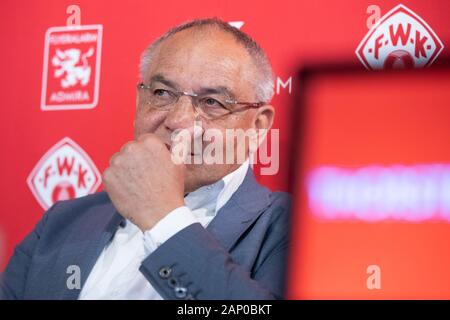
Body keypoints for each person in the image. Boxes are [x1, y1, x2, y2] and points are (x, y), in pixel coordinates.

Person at [1, 18, 290, 300]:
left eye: (211, 102)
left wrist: (163, 218)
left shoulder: (290, 228)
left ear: (257, 126)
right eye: (162, 93)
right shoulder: (62, 222)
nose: (178, 121)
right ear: (141, 101)